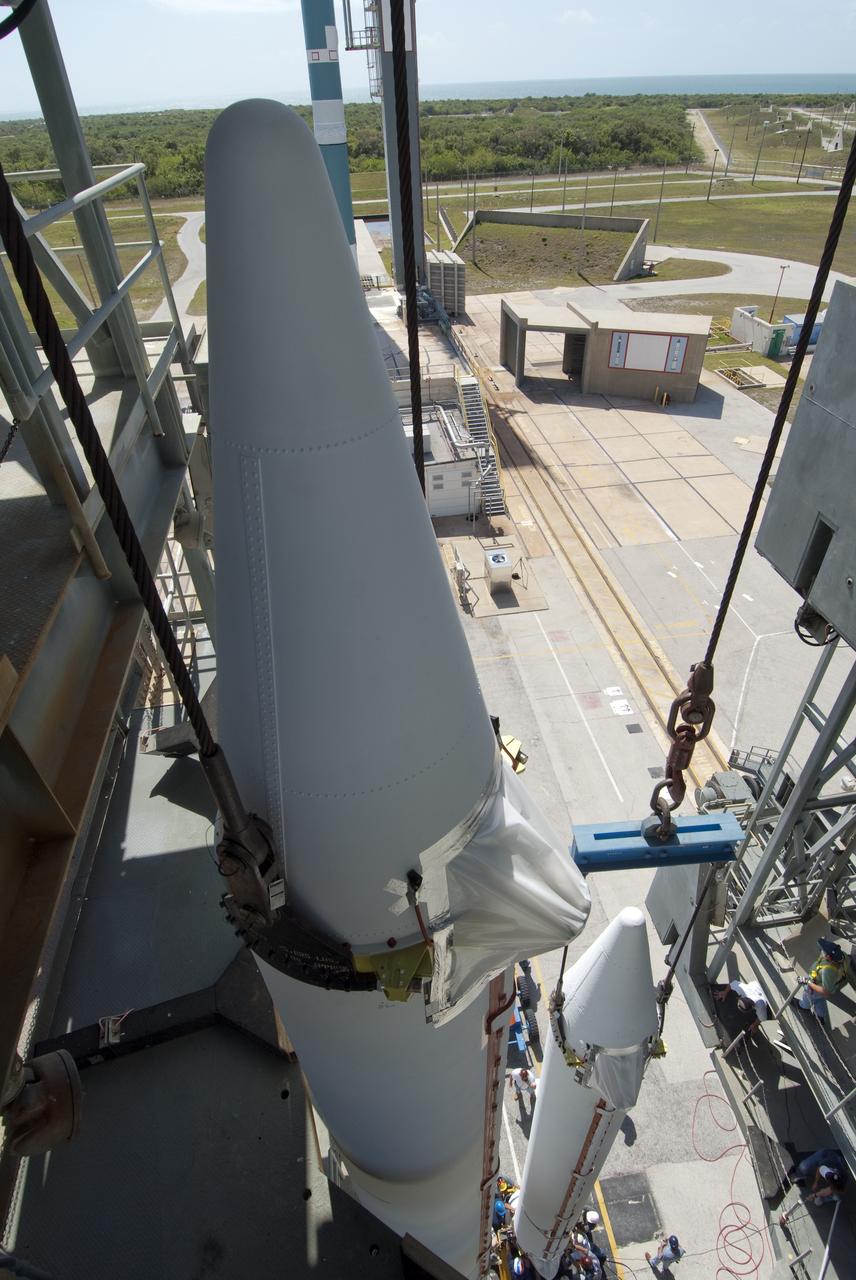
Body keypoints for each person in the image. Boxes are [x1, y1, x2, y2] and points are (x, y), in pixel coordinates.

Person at [781, 1149, 847, 1223]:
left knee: (836, 1195)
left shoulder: (841, 1180)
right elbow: (819, 1169)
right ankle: (800, 1174)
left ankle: (825, 1199)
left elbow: (828, 1190)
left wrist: (815, 1195)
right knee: (804, 1166)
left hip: (839, 1169)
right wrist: (816, 1182)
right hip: (826, 1154)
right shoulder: (826, 1164)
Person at [796, 938, 848, 1022]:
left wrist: (808, 982)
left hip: (817, 987)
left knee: (808, 995)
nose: (821, 951)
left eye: (823, 951)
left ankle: (803, 1006)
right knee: (820, 999)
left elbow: (825, 992)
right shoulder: (843, 956)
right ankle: (820, 1016)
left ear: (828, 957)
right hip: (831, 985)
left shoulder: (828, 971)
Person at [712, 978, 770, 1042]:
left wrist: (754, 1025)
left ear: (752, 1007)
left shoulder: (760, 1006)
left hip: (767, 995)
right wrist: (725, 992)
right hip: (757, 985)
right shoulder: (743, 989)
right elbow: (732, 984)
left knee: (753, 1025)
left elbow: (761, 1019)